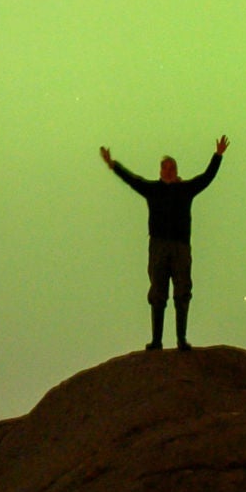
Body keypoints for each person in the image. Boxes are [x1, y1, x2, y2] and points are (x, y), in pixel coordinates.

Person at [100, 135, 229, 350]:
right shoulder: (153, 190)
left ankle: (181, 339)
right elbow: (132, 179)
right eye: (165, 168)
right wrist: (113, 165)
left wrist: (218, 155)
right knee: (157, 292)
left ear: (176, 171)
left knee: (182, 291)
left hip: (180, 246)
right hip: (158, 246)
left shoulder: (185, 189)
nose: (168, 171)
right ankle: (156, 341)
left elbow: (206, 178)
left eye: (171, 168)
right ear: (160, 171)